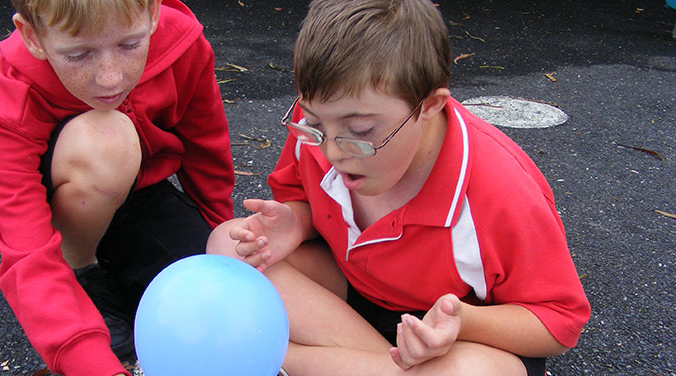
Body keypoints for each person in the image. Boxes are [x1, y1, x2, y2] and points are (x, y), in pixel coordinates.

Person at [206, 0, 590, 375]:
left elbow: (558, 323)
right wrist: (298, 222)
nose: (332, 150)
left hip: (444, 336)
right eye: (313, 123)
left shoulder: (500, 189)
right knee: (230, 245)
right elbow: (297, 192)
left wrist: (463, 322)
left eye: (360, 132)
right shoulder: (328, 124)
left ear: (430, 106)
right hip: (349, 293)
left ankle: (275, 356)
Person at [0, 0, 234, 375]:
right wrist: (81, 353)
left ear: (152, 15)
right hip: (41, 194)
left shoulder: (185, 45)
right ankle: (80, 269)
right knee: (107, 135)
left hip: (134, 189)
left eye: (129, 45)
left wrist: (222, 241)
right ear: (32, 37)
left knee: (205, 294)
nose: (110, 78)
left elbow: (205, 145)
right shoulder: (8, 97)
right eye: (78, 54)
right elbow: (27, 255)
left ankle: (109, 257)